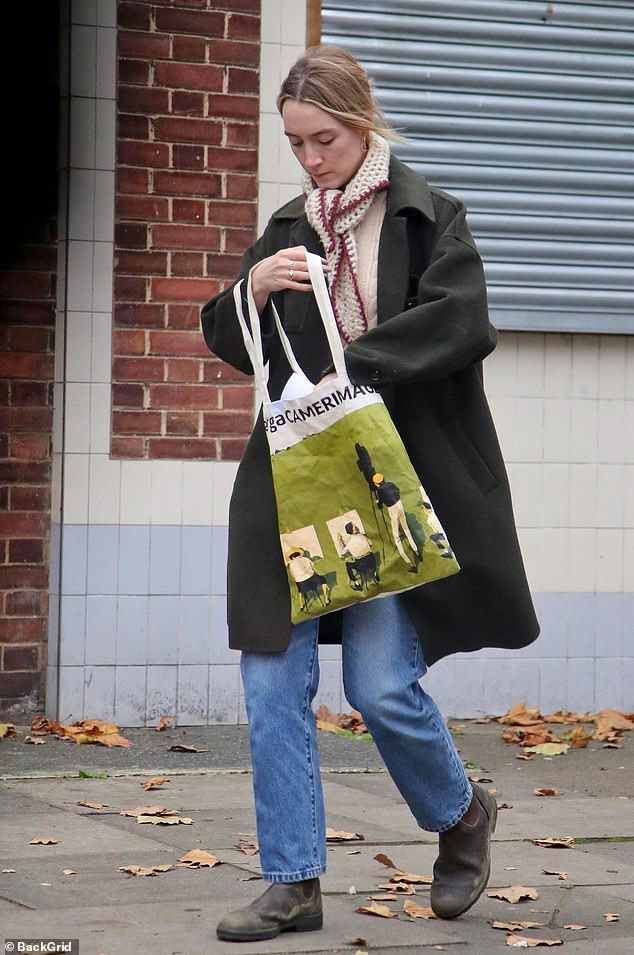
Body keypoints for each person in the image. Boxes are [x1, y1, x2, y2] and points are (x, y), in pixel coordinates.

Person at [201, 45, 539, 943]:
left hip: (394, 483)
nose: (311, 161)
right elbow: (234, 340)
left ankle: (463, 814)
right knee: (272, 677)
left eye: (325, 140)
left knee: (384, 686)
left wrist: (358, 364)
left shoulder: (428, 216)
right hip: (296, 483)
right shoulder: (286, 229)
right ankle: (293, 884)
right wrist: (250, 292)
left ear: (362, 123)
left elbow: (463, 321)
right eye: (296, 144)